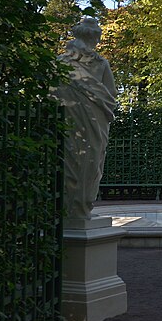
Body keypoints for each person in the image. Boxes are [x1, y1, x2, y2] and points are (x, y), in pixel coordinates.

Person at [52, 17, 117, 219]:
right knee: (91, 161)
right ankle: (82, 207)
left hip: (66, 121)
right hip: (95, 125)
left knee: (69, 158)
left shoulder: (60, 64)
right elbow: (111, 95)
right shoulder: (100, 63)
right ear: (96, 38)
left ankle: (67, 209)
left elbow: (51, 94)